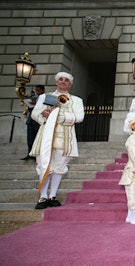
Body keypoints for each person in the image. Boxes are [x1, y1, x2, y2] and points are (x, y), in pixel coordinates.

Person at [30, 72, 84, 209]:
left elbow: (79, 117)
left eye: (67, 80)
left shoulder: (77, 100)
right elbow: (35, 114)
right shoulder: (44, 97)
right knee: (44, 164)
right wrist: (44, 114)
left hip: (65, 137)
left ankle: (53, 195)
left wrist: (57, 116)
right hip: (46, 136)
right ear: (56, 82)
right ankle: (43, 197)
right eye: (61, 79)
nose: (63, 82)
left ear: (70, 84)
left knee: (59, 167)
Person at [21, 85, 45, 160]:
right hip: (31, 120)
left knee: (37, 138)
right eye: (36, 90)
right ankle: (29, 153)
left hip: (38, 120)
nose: (37, 92)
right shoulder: (34, 98)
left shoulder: (44, 98)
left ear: (43, 90)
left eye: (38, 90)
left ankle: (37, 154)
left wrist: (36, 104)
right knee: (30, 138)